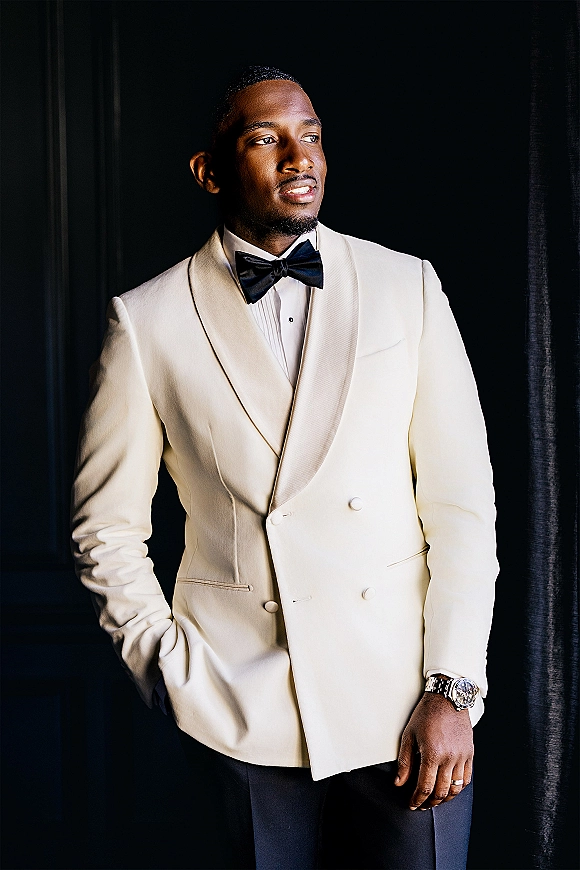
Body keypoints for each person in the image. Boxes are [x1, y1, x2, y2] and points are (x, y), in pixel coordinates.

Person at [71, 66, 498, 870]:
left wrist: (453, 690)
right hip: (239, 711)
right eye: (266, 138)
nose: (299, 158)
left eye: (312, 137)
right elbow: (106, 530)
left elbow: (463, 505)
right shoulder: (148, 319)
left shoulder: (405, 285)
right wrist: (173, 671)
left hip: (406, 706)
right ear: (209, 170)